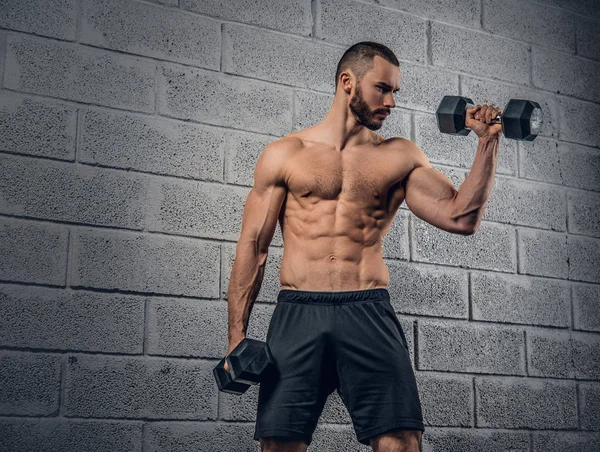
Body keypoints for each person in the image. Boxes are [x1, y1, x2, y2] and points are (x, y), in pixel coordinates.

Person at [223, 41, 502, 452]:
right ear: (347, 82)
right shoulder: (285, 154)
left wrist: (488, 142)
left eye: (395, 93)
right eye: (382, 89)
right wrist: (236, 337)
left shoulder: (398, 155)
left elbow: (462, 218)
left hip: (367, 309)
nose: (391, 102)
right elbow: (253, 245)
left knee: (401, 443)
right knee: (278, 445)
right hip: (298, 311)